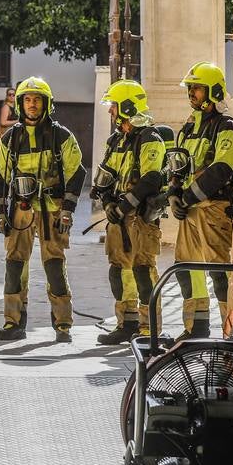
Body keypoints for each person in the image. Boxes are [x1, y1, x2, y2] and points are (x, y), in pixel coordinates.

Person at [0, 76, 85, 343]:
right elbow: (0, 176)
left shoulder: (61, 135)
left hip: (52, 210)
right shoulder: (11, 138)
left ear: (47, 104)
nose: (32, 105)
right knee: (14, 265)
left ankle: (63, 324)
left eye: (37, 100)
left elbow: (77, 172)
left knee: (54, 265)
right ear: (20, 104)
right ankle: (13, 323)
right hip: (19, 211)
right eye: (28, 100)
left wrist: (68, 209)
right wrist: (0, 211)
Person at [92, 79, 168, 344]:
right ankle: (127, 323)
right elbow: (106, 175)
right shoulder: (117, 140)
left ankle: (150, 329)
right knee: (118, 272)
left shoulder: (150, 138)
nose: (111, 111)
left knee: (143, 272)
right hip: (119, 220)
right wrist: (108, 202)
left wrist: (123, 206)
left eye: (113, 106)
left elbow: (151, 179)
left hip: (141, 220)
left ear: (126, 106)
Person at [168, 61, 233, 339]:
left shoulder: (226, 126)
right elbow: (178, 164)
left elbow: (222, 168)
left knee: (219, 273)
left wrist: (187, 196)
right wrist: (173, 193)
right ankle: (196, 327)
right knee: (185, 268)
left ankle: (230, 331)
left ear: (213, 91)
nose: (192, 93)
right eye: (191, 88)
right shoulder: (188, 127)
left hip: (213, 208)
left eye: (196, 88)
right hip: (189, 209)